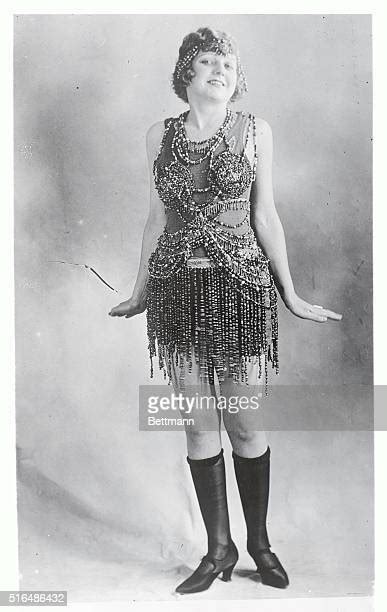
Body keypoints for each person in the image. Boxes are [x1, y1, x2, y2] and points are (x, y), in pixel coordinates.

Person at [109, 27, 342, 595]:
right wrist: (140, 289)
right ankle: (218, 549)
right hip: (176, 294)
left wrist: (290, 293)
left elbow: (266, 216)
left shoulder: (256, 130)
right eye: (208, 62)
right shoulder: (157, 136)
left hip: (238, 292)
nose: (220, 71)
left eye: (229, 65)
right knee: (195, 423)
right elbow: (156, 221)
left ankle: (259, 544)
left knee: (243, 420)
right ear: (186, 73)